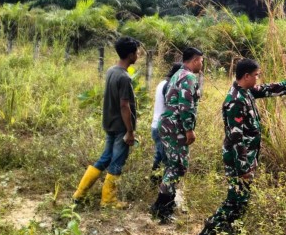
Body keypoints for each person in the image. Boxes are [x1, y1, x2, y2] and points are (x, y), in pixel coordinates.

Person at [191, 58, 286, 235]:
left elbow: (266, 89)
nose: (257, 78)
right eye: (256, 75)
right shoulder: (235, 101)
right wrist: (244, 167)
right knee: (234, 201)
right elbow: (236, 139)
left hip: (246, 158)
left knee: (242, 200)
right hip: (238, 160)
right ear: (246, 76)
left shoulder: (245, 92)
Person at [73, 36, 140, 208]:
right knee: (117, 160)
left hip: (109, 123)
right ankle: (108, 200)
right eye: (137, 52)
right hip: (120, 127)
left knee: (105, 158)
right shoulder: (124, 78)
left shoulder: (111, 71)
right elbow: (124, 105)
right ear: (130, 55)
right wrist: (130, 131)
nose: (138, 55)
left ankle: (79, 194)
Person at [150, 48, 204, 223]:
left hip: (168, 124)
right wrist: (189, 129)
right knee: (178, 167)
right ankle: (162, 208)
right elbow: (185, 105)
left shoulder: (177, 74)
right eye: (201, 61)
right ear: (195, 60)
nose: (201, 64)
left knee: (172, 165)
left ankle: (163, 205)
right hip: (176, 127)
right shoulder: (188, 77)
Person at [150, 62, 183, 184]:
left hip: (156, 125)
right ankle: (166, 187)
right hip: (163, 127)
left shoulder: (162, 83)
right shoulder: (169, 86)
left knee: (159, 155)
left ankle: (154, 181)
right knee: (168, 160)